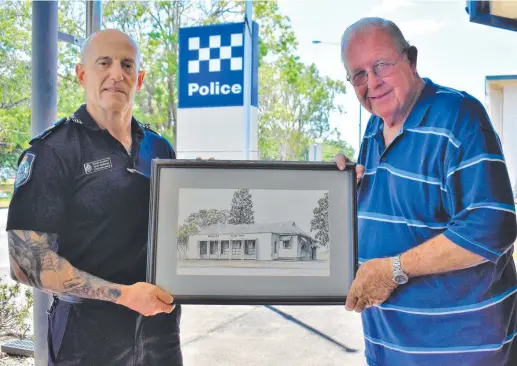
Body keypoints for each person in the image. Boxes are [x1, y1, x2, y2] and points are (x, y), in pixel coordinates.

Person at [336, 17, 517, 366]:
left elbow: (492, 228)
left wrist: (394, 270)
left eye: (381, 65)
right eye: (358, 74)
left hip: (465, 356)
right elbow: (399, 218)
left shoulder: (459, 116)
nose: (371, 82)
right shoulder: (373, 130)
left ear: (411, 59)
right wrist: (342, 192)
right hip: (388, 352)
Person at [6, 29, 182, 365]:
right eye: (105, 63)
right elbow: (26, 262)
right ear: (82, 74)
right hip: (85, 337)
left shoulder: (158, 148)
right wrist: (123, 295)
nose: (117, 74)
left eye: (127, 65)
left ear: (139, 79)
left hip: (160, 330)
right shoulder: (53, 151)